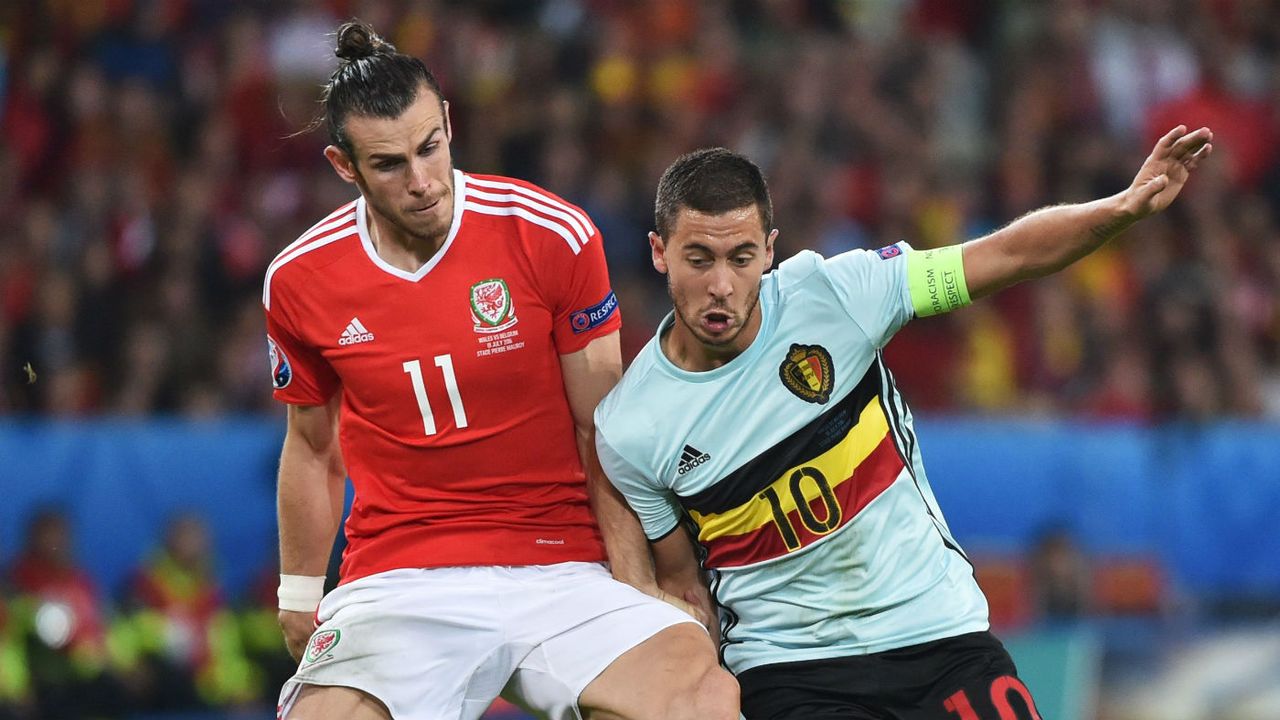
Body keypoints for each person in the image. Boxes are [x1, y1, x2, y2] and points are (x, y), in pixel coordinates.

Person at [594, 128, 1212, 719]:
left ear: (770, 250)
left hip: (937, 635)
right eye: (698, 259)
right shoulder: (634, 427)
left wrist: (1122, 209)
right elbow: (686, 591)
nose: (721, 286)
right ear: (658, 252)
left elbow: (1008, 253)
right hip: (790, 674)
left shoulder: (839, 296)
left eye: (741, 257)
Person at [261, 20, 736, 720]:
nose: (422, 181)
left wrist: (643, 575)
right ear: (344, 166)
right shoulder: (301, 280)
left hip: (563, 560)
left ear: (449, 123)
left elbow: (603, 428)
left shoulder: (550, 235)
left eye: (431, 147)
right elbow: (311, 446)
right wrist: (300, 594)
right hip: (399, 577)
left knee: (698, 700)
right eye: (390, 164)